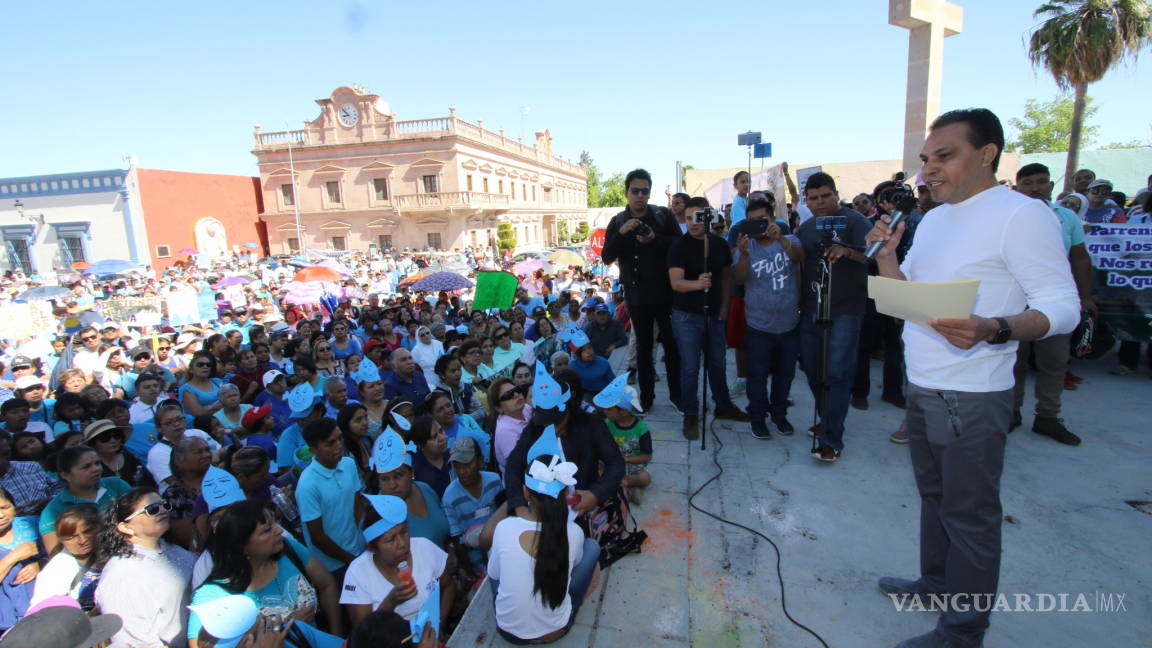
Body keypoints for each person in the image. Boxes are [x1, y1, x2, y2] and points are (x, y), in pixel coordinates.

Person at [866, 108, 1080, 648]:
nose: (928, 170)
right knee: (935, 497)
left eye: (944, 156)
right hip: (924, 381)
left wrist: (996, 327)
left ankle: (963, 631)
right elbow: (909, 295)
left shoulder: (1020, 215)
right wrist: (888, 260)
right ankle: (936, 584)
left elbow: (1063, 306)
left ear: (986, 154)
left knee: (971, 517)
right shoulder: (933, 218)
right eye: (925, 159)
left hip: (974, 394)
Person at [1010, 163, 1095, 445]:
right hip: (1013, 300)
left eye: (1041, 182)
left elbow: (1080, 258)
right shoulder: (1006, 215)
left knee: (1055, 362)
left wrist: (1086, 296)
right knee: (1013, 361)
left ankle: (1047, 417)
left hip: (1056, 300)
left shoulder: (1066, 217)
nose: (1035, 188)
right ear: (1017, 186)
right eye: (1028, 182)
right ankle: (1010, 413)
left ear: (1051, 186)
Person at [488, 440, 599, 643]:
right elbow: (574, 567)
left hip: (509, 632)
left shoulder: (504, 528)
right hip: (556, 631)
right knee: (591, 547)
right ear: (566, 492)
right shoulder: (573, 532)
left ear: (525, 492)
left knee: (494, 560)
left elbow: (494, 575)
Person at [795, 172, 872, 463]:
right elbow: (798, 263)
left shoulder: (854, 221)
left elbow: (873, 255)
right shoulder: (807, 227)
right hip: (812, 309)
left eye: (825, 196)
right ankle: (828, 417)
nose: (820, 203)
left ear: (836, 194)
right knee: (813, 369)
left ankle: (831, 438)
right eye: (813, 198)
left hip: (846, 311)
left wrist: (848, 251)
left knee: (838, 374)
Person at [189, 499, 343, 644]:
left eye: (275, 523)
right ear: (241, 546)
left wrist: (335, 633)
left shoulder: (289, 550)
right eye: (266, 530)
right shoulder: (211, 596)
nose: (279, 531)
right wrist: (287, 629)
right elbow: (199, 644)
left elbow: (326, 585)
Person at [600, 168, 683, 414]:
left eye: (644, 191)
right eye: (635, 191)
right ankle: (647, 397)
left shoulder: (662, 216)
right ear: (626, 192)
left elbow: (678, 245)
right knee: (644, 351)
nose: (640, 196)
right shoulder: (617, 221)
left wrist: (654, 239)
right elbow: (606, 257)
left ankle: (677, 396)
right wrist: (622, 233)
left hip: (665, 295)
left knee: (672, 347)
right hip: (637, 297)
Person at [667, 197, 749, 439]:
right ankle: (691, 414)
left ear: (708, 217)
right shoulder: (679, 246)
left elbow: (726, 277)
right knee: (691, 367)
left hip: (714, 314)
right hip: (686, 316)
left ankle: (723, 405)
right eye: (689, 217)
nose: (693, 222)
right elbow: (676, 283)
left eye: (698, 217)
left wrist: (725, 306)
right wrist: (697, 284)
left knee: (718, 363)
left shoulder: (718, 244)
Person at [504, 367, 625, 520]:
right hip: (540, 505)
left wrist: (596, 493)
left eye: (557, 421)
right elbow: (513, 465)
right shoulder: (534, 428)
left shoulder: (592, 424)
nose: (552, 427)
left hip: (580, 506)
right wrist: (519, 505)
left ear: (569, 408)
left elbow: (616, 463)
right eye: (546, 421)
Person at [733, 197, 805, 438]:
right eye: (752, 222)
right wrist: (743, 255)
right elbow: (740, 280)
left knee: (785, 375)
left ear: (773, 219)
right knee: (757, 375)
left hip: (789, 324)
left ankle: (779, 415)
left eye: (762, 220)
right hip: (758, 325)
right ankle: (757, 417)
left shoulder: (790, 240)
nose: (758, 226)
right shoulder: (745, 247)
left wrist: (780, 238)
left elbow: (799, 256)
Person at [96, 487, 198, 648]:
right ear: (125, 527)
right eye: (152, 509)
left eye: (165, 505)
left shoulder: (168, 546)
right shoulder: (123, 573)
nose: (163, 510)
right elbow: (133, 641)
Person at [340, 494, 453, 630]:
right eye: (391, 539)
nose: (402, 543)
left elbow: (448, 586)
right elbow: (363, 633)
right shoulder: (357, 573)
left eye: (404, 532)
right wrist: (390, 602)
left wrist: (438, 624)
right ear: (373, 548)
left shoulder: (424, 547)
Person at [296, 418, 366, 581]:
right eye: (330, 443)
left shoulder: (348, 464)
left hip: (359, 552)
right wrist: (350, 560)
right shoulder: (307, 485)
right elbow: (317, 537)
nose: (339, 446)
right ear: (313, 450)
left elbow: (357, 504)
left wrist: (364, 540)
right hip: (333, 567)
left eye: (340, 438)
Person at [39, 445, 131, 554]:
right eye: (86, 467)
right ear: (65, 475)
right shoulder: (53, 510)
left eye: (97, 463)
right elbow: (55, 554)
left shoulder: (116, 484)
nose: (96, 469)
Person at [373, 429, 450, 549]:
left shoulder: (425, 489)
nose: (392, 485)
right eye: (385, 479)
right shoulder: (377, 514)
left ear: (412, 472)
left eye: (398, 476)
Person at [441, 437, 502, 574]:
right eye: (457, 466)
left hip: (500, 553)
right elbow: (457, 538)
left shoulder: (495, 481)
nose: (462, 471)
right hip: (475, 563)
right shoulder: (450, 497)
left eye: (467, 464)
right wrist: (471, 573)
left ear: (480, 461)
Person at [29, 504, 105, 611]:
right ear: (61, 540)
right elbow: (43, 609)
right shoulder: (58, 568)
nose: (82, 541)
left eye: (87, 531)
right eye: (70, 538)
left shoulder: (115, 554)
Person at [593, 375, 652, 502]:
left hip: (632, 466)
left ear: (624, 411)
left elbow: (647, 456)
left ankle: (619, 485)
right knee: (596, 470)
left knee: (645, 477)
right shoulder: (607, 424)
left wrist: (625, 459)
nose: (605, 412)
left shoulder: (641, 429)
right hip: (611, 464)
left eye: (609, 409)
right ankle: (626, 487)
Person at [146, 403, 221, 489]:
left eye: (179, 419)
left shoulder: (198, 433)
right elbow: (176, 482)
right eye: (169, 423)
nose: (177, 424)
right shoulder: (157, 453)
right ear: (159, 428)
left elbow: (221, 451)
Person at [0, 486, 38, 627]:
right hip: (6, 620)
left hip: (38, 609)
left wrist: (39, 564)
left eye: (5, 507)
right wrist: (15, 556)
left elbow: (58, 556)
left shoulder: (33, 524)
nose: (1, 515)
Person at [423, 391, 490, 466]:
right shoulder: (433, 437)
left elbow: (485, 442)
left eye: (448, 405)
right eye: (440, 409)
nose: (447, 411)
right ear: (431, 415)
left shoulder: (466, 419)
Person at [0, 435, 60, 516]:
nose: (1, 460)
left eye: (5, 454)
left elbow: (58, 490)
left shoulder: (30, 468)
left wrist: (48, 501)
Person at [84, 418, 143, 485]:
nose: (113, 441)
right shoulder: (91, 467)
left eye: (116, 436)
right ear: (93, 444)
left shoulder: (129, 457)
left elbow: (147, 481)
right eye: (105, 439)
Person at [432, 355, 483, 424]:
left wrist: (466, 419)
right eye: (453, 371)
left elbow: (482, 410)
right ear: (442, 375)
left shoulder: (467, 388)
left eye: (459, 369)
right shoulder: (437, 396)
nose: (458, 374)